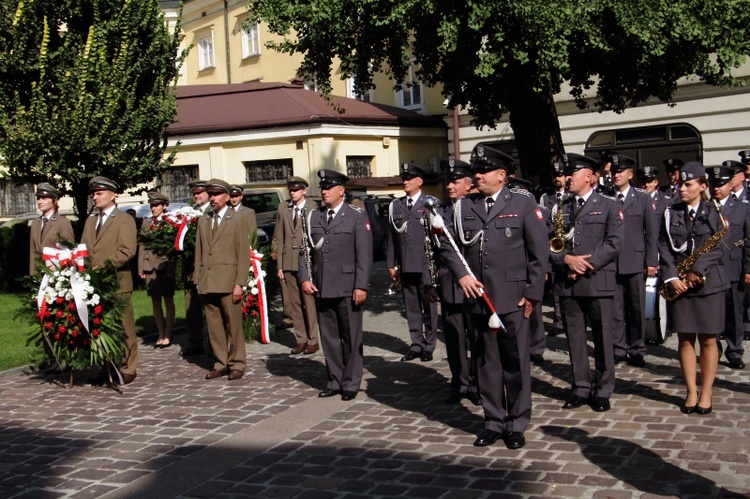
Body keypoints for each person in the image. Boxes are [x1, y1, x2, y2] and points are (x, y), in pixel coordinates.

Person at [441, 145, 548, 450]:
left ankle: (516, 423)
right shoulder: (464, 207)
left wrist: (532, 295)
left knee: (515, 364)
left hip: (512, 300)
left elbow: (538, 255)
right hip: (478, 299)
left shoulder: (523, 204)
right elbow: (448, 245)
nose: (478, 175)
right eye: (476, 170)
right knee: (486, 364)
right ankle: (492, 420)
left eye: (484, 171)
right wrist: (461, 274)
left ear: (502, 175)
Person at [551, 153, 623, 413]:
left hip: (597, 281)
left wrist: (583, 265)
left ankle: (603, 389)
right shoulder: (560, 207)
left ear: (590, 177)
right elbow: (550, 244)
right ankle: (581, 387)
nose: (567, 178)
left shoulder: (609, 205)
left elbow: (614, 243)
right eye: (567, 173)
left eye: (574, 173)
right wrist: (566, 260)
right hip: (568, 282)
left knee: (603, 338)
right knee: (575, 338)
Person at [659, 162, 729, 414]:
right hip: (678, 283)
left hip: (708, 283)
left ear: (702, 186)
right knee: (685, 338)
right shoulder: (671, 212)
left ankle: (707, 391)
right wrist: (670, 277)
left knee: (709, 339)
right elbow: (663, 246)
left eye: (688, 185)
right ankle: (690, 390)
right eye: (680, 184)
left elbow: (720, 244)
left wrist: (697, 271)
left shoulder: (714, 211)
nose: (682, 189)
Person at [300, 169, 372, 401]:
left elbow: (364, 254)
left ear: (342, 190)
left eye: (330, 187)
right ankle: (334, 380)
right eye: (323, 188)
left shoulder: (356, 216)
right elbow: (305, 251)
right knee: (329, 337)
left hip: (348, 286)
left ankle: (351, 383)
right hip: (322, 285)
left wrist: (361, 285)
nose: (325, 191)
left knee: (351, 337)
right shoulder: (315, 216)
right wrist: (305, 278)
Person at [83, 176, 138, 385]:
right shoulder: (90, 220)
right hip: (93, 284)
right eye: (93, 194)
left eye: (99, 193)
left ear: (113, 195)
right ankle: (105, 365)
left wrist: (103, 266)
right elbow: (85, 249)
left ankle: (128, 366)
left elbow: (127, 251)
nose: (95, 197)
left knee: (124, 325)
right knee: (99, 325)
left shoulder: (124, 220)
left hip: (117, 281)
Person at [194, 179, 251, 381]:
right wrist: (197, 280)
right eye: (210, 194)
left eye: (216, 194)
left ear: (227, 197)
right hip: (208, 281)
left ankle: (237, 363)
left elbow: (243, 254)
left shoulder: (236, 219)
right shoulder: (204, 220)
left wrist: (240, 283)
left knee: (233, 325)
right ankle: (220, 362)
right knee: (214, 326)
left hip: (229, 281)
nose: (212, 198)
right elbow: (199, 252)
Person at [435, 159, 480, 405]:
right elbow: (430, 251)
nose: (450, 186)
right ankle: (460, 382)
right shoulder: (438, 212)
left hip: (473, 283)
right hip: (449, 282)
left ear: (468, 184)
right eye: (447, 181)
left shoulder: (477, 208)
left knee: (477, 337)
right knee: (454, 338)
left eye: (455, 181)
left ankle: (477, 383)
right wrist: (428, 284)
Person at [386, 163, 439, 362]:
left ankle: (430, 345)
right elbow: (392, 237)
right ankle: (416, 344)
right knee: (411, 307)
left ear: (420, 181)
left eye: (410, 178)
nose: (406, 182)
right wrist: (391, 264)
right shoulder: (396, 206)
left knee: (429, 306)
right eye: (404, 179)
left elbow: (438, 238)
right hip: (406, 264)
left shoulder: (431, 203)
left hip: (426, 265)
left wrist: (438, 266)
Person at [610, 154, 659, 367]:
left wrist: (651, 261)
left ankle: (637, 348)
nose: (616, 175)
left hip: (636, 261)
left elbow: (652, 232)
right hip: (611, 262)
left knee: (637, 308)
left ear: (630, 175)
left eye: (620, 171)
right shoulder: (604, 196)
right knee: (616, 309)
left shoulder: (642, 197)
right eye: (613, 171)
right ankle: (618, 347)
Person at [271, 177, 320, 355]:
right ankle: (301, 339)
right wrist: (280, 266)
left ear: (304, 191)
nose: (292, 193)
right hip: (289, 262)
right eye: (290, 190)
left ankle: (313, 339)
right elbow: (281, 236)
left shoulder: (313, 208)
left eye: (296, 190)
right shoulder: (285, 210)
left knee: (309, 303)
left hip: (306, 262)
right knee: (294, 304)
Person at [709, 162, 750, 370]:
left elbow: (748, 239)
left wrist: (748, 268)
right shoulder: (706, 207)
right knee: (713, 313)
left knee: (735, 312)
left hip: (734, 266)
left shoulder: (743, 206)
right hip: (711, 269)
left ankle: (734, 351)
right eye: (713, 184)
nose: (717, 188)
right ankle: (713, 349)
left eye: (721, 184)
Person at [138, 191, 176, 348]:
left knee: (168, 299)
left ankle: (168, 332)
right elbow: (142, 245)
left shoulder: (170, 222)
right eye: (151, 205)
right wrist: (141, 266)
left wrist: (171, 268)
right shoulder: (146, 223)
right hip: (149, 267)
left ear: (164, 206)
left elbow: (173, 248)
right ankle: (160, 333)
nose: (153, 208)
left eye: (156, 205)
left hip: (164, 266)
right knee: (155, 301)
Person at [540, 158, 570, 338]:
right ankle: (558, 321)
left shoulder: (572, 196)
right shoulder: (546, 197)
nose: (557, 178)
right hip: (553, 245)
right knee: (556, 286)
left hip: (569, 244)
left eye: (560, 175)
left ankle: (570, 319)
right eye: (555, 175)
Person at [181, 180, 211, 358]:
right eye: (194, 193)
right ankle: (195, 342)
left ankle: (213, 343)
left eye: (199, 193)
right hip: (190, 267)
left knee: (209, 307)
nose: (196, 196)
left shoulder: (211, 212)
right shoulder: (188, 213)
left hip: (207, 268)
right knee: (191, 306)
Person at [29, 182, 75, 275]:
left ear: (54, 201)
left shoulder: (62, 223)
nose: (40, 201)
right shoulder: (35, 223)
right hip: (38, 274)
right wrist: (32, 275)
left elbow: (68, 251)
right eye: (38, 198)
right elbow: (33, 252)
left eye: (44, 198)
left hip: (55, 274)